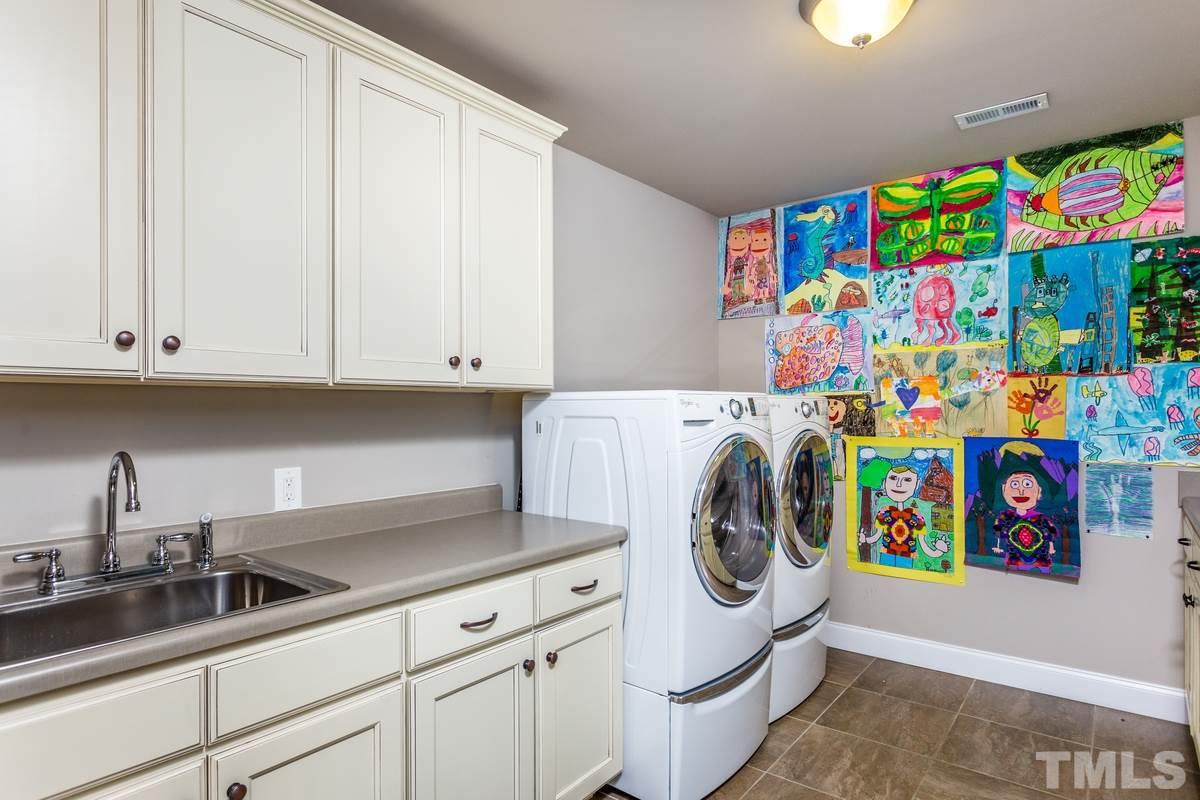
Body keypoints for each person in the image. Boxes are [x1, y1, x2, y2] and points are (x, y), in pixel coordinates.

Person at [859, 464, 950, 568]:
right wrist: (865, 539)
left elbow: (924, 546)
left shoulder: (916, 516)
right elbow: (876, 536)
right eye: (893, 478)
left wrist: (939, 551)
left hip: (906, 557)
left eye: (907, 480)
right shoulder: (885, 512)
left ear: (917, 485)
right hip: (886, 554)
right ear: (884, 483)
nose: (899, 485)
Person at [991, 446, 1059, 573]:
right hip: (1014, 558)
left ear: (1039, 491)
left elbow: (1050, 533)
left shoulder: (1041, 519)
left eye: (1027, 484)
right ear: (1004, 490)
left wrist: (1051, 547)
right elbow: (998, 530)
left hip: (1040, 558)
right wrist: (998, 544)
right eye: (1014, 484)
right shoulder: (1006, 517)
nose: (1021, 491)